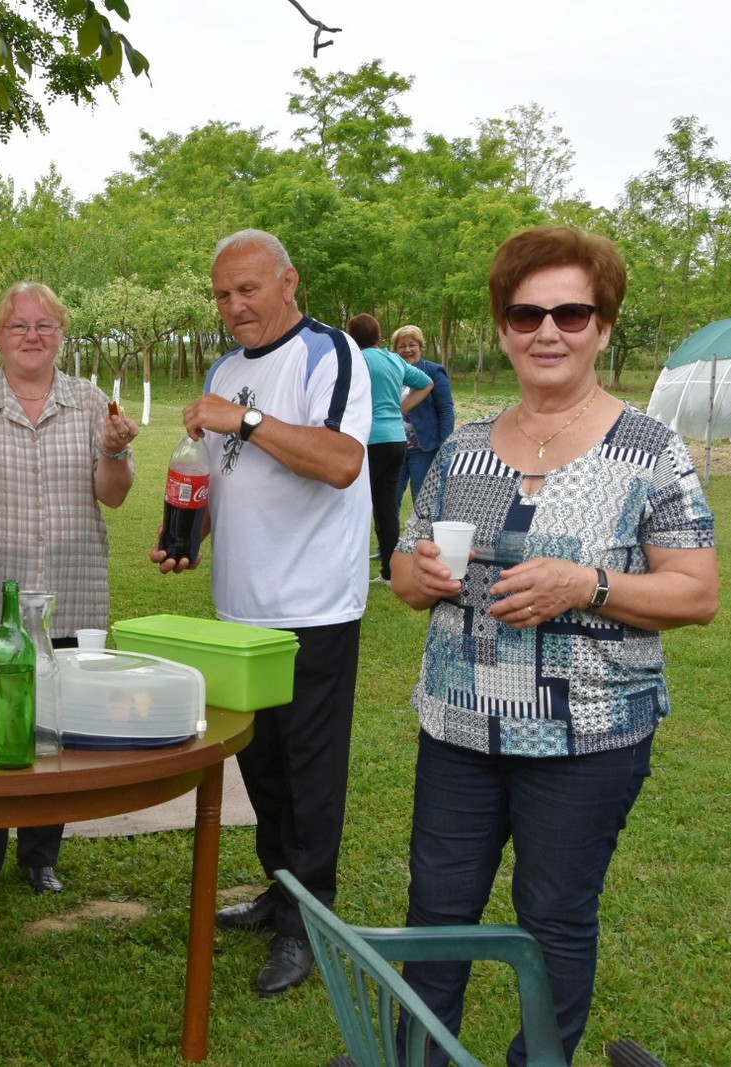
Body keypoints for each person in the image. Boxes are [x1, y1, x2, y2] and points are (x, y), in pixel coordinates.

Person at [389, 225, 718, 1065]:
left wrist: (590, 586)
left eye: (571, 313)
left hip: (587, 736)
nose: (548, 331)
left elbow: (696, 590)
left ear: (603, 326)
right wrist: (414, 572)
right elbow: (405, 562)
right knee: (437, 913)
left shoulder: (648, 449)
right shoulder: (461, 451)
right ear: (502, 326)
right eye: (526, 312)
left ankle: (541, 1058)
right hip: (460, 729)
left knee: (556, 914)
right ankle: (417, 1058)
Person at [152, 229, 371, 998]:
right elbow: (217, 480)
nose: (235, 306)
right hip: (239, 607)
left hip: (312, 604)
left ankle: (309, 923)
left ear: (289, 281)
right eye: (222, 294)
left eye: (248, 289)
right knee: (262, 765)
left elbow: (340, 462)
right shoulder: (224, 370)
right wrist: (187, 534)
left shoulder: (328, 353)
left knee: (310, 771)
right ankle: (283, 892)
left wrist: (238, 419)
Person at [0, 281, 139, 894]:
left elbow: (114, 496)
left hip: (73, 595)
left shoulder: (92, 400)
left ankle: (40, 854)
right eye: (18, 326)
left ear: (61, 335)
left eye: (44, 326)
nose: (31, 336)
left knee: (55, 727)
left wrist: (116, 454)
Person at [347, 313, 432, 585]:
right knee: (386, 508)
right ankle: (389, 572)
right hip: (396, 440)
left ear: (351, 337)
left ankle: (353, 569)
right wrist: (399, 410)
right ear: (379, 336)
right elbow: (426, 384)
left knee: (356, 506)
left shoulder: (354, 360)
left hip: (368, 440)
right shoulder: (393, 359)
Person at [393, 324, 455, 512]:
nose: (407, 350)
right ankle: (390, 542)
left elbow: (446, 411)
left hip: (424, 448)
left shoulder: (434, 372)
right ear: (395, 350)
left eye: (412, 345)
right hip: (394, 447)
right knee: (389, 499)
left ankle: (424, 541)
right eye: (402, 346)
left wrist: (445, 445)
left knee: (424, 502)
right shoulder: (392, 373)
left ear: (421, 347)